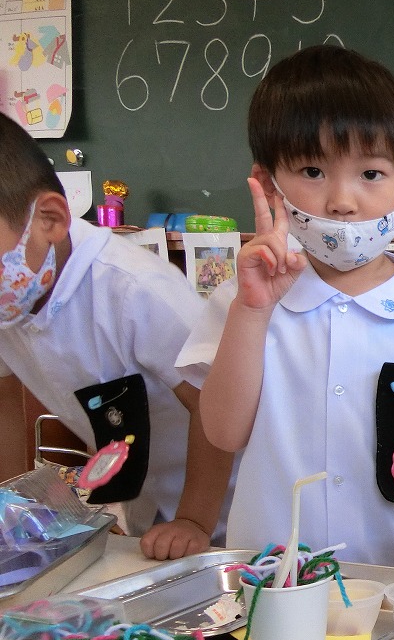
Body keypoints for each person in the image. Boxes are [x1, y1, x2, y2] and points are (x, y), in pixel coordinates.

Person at [180, 46, 394, 570]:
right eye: (313, 170)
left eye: (370, 174)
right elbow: (224, 434)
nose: (342, 200)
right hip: (273, 583)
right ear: (269, 183)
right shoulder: (241, 301)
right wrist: (251, 314)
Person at [0, 114, 234, 559]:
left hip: (228, 506)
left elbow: (210, 396)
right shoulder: (11, 298)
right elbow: (4, 396)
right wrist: (10, 511)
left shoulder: (134, 290)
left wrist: (194, 518)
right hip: (148, 511)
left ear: (49, 219)